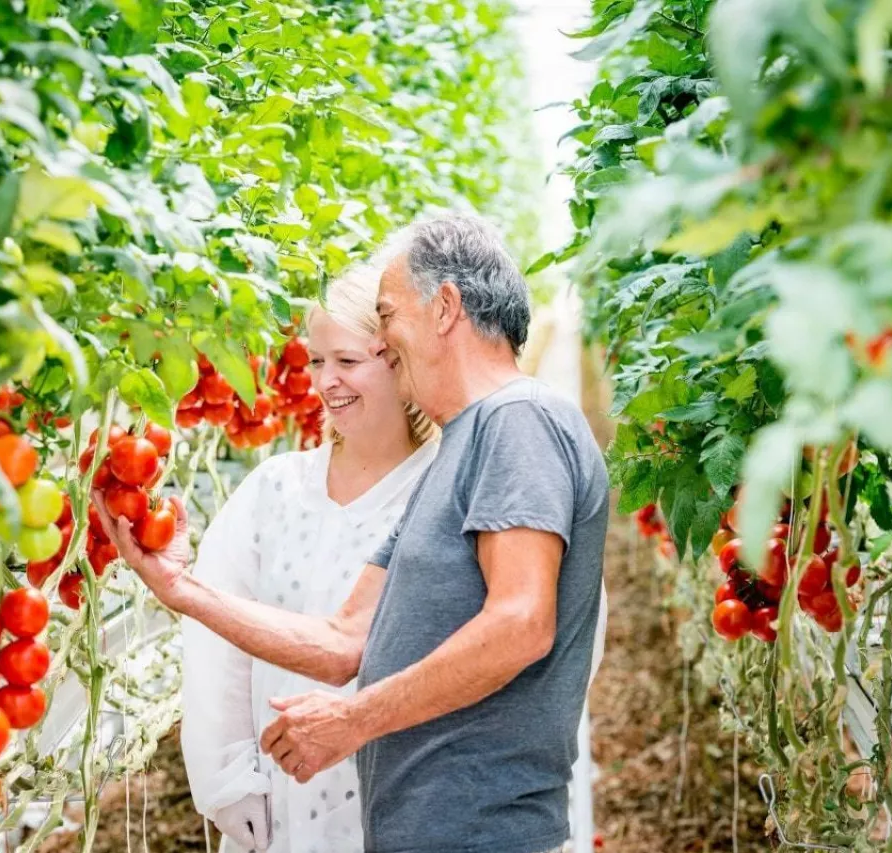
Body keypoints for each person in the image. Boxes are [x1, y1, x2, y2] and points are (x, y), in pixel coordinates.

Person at [92, 214, 609, 853]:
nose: (385, 340)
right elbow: (344, 643)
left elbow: (521, 623)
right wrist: (180, 589)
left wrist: (354, 720)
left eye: (388, 316)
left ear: (445, 307)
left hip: (485, 833)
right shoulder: (458, 453)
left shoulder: (519, 419)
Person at [178, 265, 439, 853]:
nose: (326, 382)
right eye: (316, 361)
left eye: (347, 361)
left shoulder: (446, 488)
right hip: (277, 807)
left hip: (405, 805)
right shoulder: (276, 490)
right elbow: (216, 643)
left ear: (400, 361)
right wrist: (228, 781)